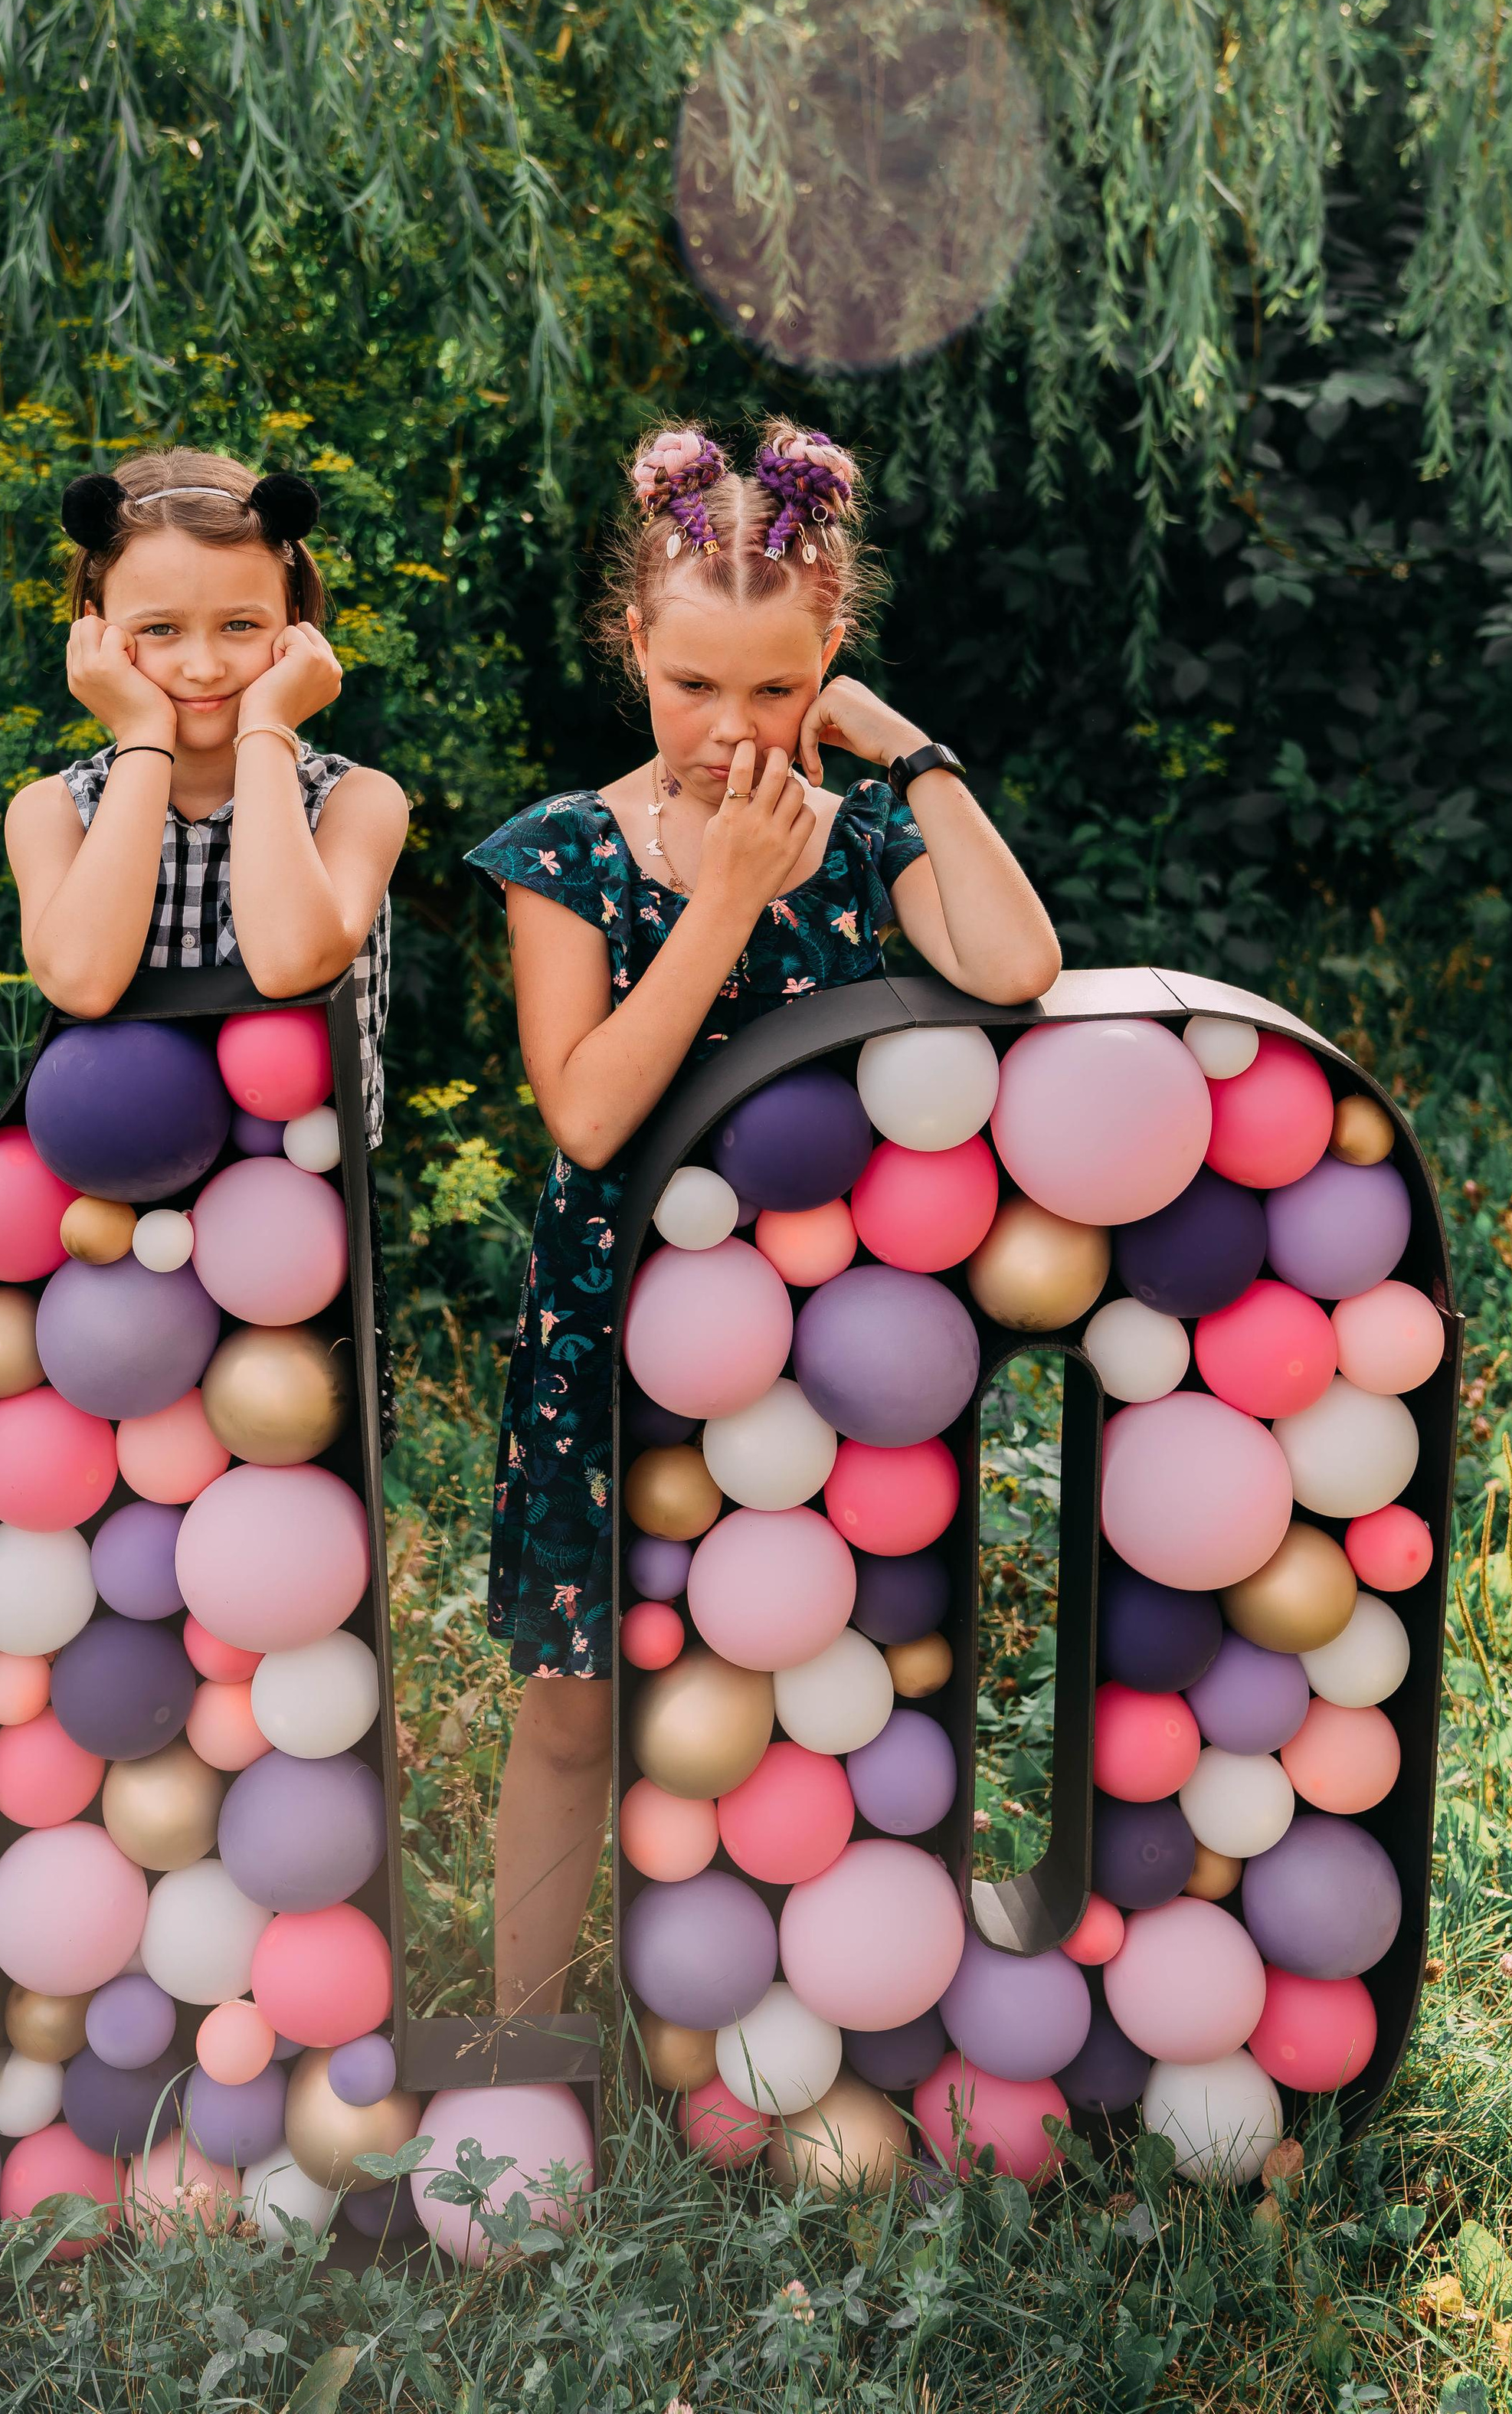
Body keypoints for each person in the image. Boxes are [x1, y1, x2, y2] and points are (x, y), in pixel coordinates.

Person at [465, 421, 1062, 2016]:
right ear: (634, 648)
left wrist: (904, 752)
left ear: (825, 667)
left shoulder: (867, 839)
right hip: (617, 1334)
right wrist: (721, 894)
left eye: (776, 690)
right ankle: (523, 2044)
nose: (731, 732)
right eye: (690, 688)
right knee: (579, 1708)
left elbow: (1015, 969)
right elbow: (588, 1109)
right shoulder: (568, 854)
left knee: (798, 1677)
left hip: (821, 1352)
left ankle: (794, 2015)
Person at [5, 445, 409, 1149]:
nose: (203, 666)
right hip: (108, 1210)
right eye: (159, 629)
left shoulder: (354, 803)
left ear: (296, 623)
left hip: (303, 1215)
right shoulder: (54, 813)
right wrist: (141, 734)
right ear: (96, 629)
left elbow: (290, 964)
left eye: (241, 626)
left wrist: (268, 727)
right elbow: (83, 984)